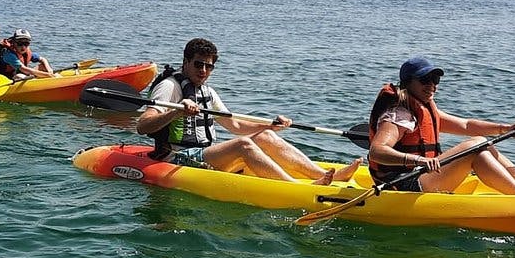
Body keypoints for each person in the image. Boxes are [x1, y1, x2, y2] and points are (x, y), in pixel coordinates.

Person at [135, 38, 361, 185]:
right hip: (178, 158)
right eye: (198, 64)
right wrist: (176, 112)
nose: (203, 70)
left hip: (204, 153)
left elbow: (235, 125)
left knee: (266, 136)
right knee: (243, 144)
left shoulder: (206, 91)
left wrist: (271, 126)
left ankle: (321, 175)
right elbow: (143, 126)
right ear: (185, 62)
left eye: (209, 66)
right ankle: (295, 187)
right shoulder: (170, 87)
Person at [367, 56, 515, 195]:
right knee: (474, 147)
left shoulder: (423, 108)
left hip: (421, 176)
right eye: (425, 80)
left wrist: (505, 128)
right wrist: (418, 160)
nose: (432, 85)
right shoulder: (399, 114)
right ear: (408, 83)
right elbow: (376, 151)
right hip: (401, 185)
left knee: (480, 141)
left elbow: (466, 125)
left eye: (435, 80)